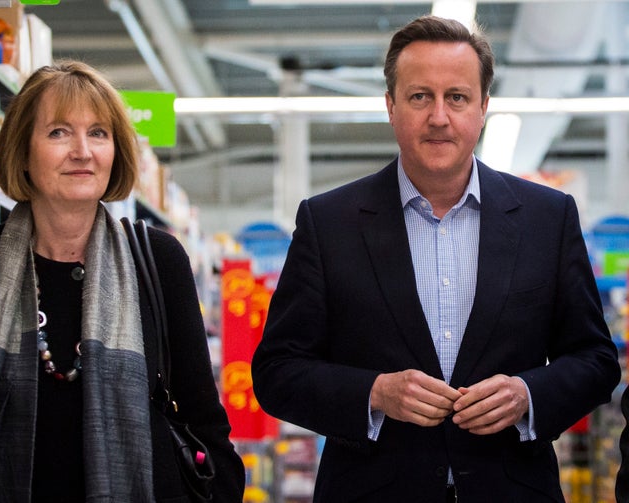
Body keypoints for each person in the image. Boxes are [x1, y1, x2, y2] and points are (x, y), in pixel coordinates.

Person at [251, 15, 620, 503]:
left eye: (458, 97)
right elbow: (278, 371)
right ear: (391, 106)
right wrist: (375, 394)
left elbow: (595, 360)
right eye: (420, 96)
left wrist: (528, 396)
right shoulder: (330, 223)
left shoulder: (547, 218)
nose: (439, 117)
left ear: (483, 108)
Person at [0, 60, 245, 502]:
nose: (82, 151)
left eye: (99, 133)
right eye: (58, 132)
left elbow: (206, 424)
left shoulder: (160, 263)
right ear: (22, 151)